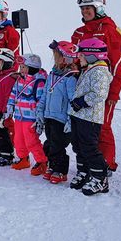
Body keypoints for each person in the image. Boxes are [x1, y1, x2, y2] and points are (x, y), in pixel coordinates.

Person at [71, 0, 121, 173]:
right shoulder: (79, 32)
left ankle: (106, 164)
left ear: (98, 8)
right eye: (83, 8)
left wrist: (114, 93)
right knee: (84, 127)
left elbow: (116, 64)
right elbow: (74, 60)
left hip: (103, 87)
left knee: (102, 126)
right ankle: (89, 164)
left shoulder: (109, 31)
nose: (85, 11)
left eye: (88, 8)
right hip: (82, 87)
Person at [69, 38, 113, 196]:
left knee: (89, 147)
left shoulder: (100, 72)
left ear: (92, 55)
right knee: (78, 145)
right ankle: (84, 171)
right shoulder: (89, 69)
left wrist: (81, 102)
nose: (78, 58)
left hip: (90, 118)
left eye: (81, 55)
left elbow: (100, 94)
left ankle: (100, 178)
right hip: (79, 115)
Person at [35, 41, 79, 184]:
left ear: (66, 58)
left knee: (58, 146)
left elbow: (72, 100)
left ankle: (60, 171)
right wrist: (40, 111)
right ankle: (52, 166)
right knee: (49, 143)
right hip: (49, 115)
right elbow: (45, 95)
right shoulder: (53, 74)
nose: (55, 58)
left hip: (61, 118)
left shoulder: (70, 77)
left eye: (57, 56)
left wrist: (69, 120)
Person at [6, 54, 48, 175]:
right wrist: (10, 105)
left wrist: (40, 117)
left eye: (24, 67)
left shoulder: (39, 82)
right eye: (21, 67)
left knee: (31, 140)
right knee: (18, 139)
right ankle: (23, 158)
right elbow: (14, 93)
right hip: (19, 115)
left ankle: (42, 161)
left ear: (32, 67)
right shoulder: (20, 79)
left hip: (31, 117)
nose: (21, 69)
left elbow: (41, 100)